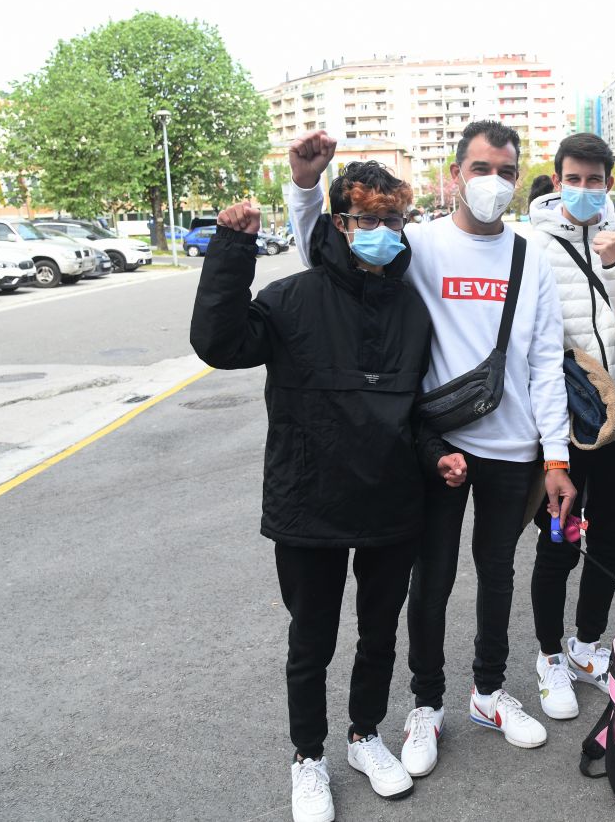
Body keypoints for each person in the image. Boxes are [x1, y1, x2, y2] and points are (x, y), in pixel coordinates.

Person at [287, 121, 576, 778]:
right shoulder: (416, 243)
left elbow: (544, 366)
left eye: (507, 171)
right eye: (481, 168)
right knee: (434, 578)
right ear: (454, 174)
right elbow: (326, 257)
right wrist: (305, 187)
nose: (494, 183)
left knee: (497, 570)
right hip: (436, 446)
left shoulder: (531, 255)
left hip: (514, 446)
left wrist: (556, 458)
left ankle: (488, 691)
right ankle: (426, 704)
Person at [191, 160, 469, 822]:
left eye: (393, 220)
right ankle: (307, 756)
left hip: (390, 500)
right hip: (308, 498)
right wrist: (231, 249)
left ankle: (364, 735)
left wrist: (439, 457)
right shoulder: (291, 299)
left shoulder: (411, 310)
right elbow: (219, 342)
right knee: (310, 638)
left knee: (378, 633)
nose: (382, 232)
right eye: (368, 219)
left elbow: (416, 410)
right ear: (339, 225)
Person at [522, 132, 615, 721]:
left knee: (611, 538)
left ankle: (586, 646)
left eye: (594, 180)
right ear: (555, 181)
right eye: (572, 179)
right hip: (569, 430)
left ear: (607, 184)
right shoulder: (530, 246)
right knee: (560, 546)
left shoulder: (614, 242)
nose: (582, 190)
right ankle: (549, 657)